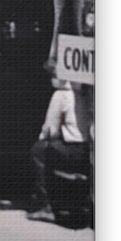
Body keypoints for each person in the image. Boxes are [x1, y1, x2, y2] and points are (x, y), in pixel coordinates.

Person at [29, 78, 93, 213]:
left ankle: (45, 204)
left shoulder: (61, 95)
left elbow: (51, 130)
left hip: (70, 149)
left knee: (38, 150)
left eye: (54, 74)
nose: (51, 78)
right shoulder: (85, 94)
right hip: (86, 149)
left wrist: (43, 137)